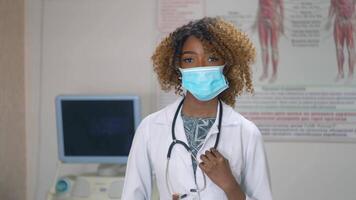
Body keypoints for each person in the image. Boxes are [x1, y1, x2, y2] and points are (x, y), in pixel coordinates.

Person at [121, 17, 273, 200]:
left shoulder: (246, 133)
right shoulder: (151, 127)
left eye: (212, 58)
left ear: (226, 65)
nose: (201, 67)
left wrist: (229, 185)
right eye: (189, 59)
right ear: (178, 67)